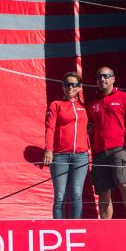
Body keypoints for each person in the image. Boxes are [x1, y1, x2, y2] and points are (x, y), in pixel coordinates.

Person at [87, 66, 126, 219]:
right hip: (98, 152)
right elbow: (89, 127)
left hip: (118, 148)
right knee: (103, 192)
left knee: (124, 183)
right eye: (99, 77)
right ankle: (105, 224)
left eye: (105, 76)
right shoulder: (92, 103)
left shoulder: (124, 97)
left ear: (113, 79)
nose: (102, 79)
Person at [42, 72, 90, 219]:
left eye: (74, 85)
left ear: (79, 87)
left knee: (76, 194)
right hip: (60, 156)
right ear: (63, 87)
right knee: (60, 195)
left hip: (81, 156)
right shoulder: (56, 105)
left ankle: (75, 227)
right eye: (67, 85)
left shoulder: (84, 106)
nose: (70, 88)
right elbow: (50, 127)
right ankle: (59, 228)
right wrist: (48, 149)